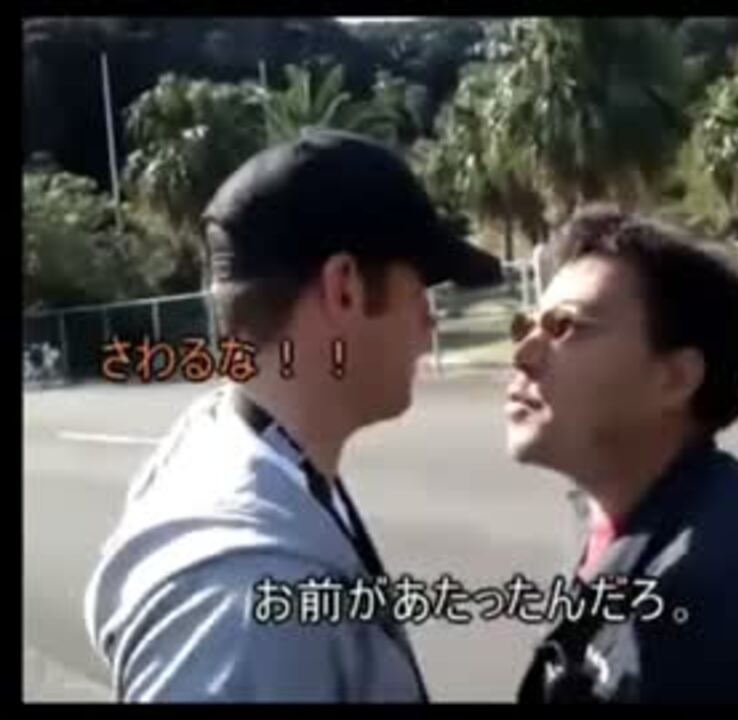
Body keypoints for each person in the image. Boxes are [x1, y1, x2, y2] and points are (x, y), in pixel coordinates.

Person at [83, 130, 502, 702]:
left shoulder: (238, 442)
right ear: (344, 289)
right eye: (420, 290)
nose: (430, 322)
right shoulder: (244, 608)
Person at [506, 206, 738, 703]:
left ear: (675, 378)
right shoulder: (630, 517)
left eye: (565, 326)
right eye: (524, 326)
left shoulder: (722, 613)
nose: (522, 354)